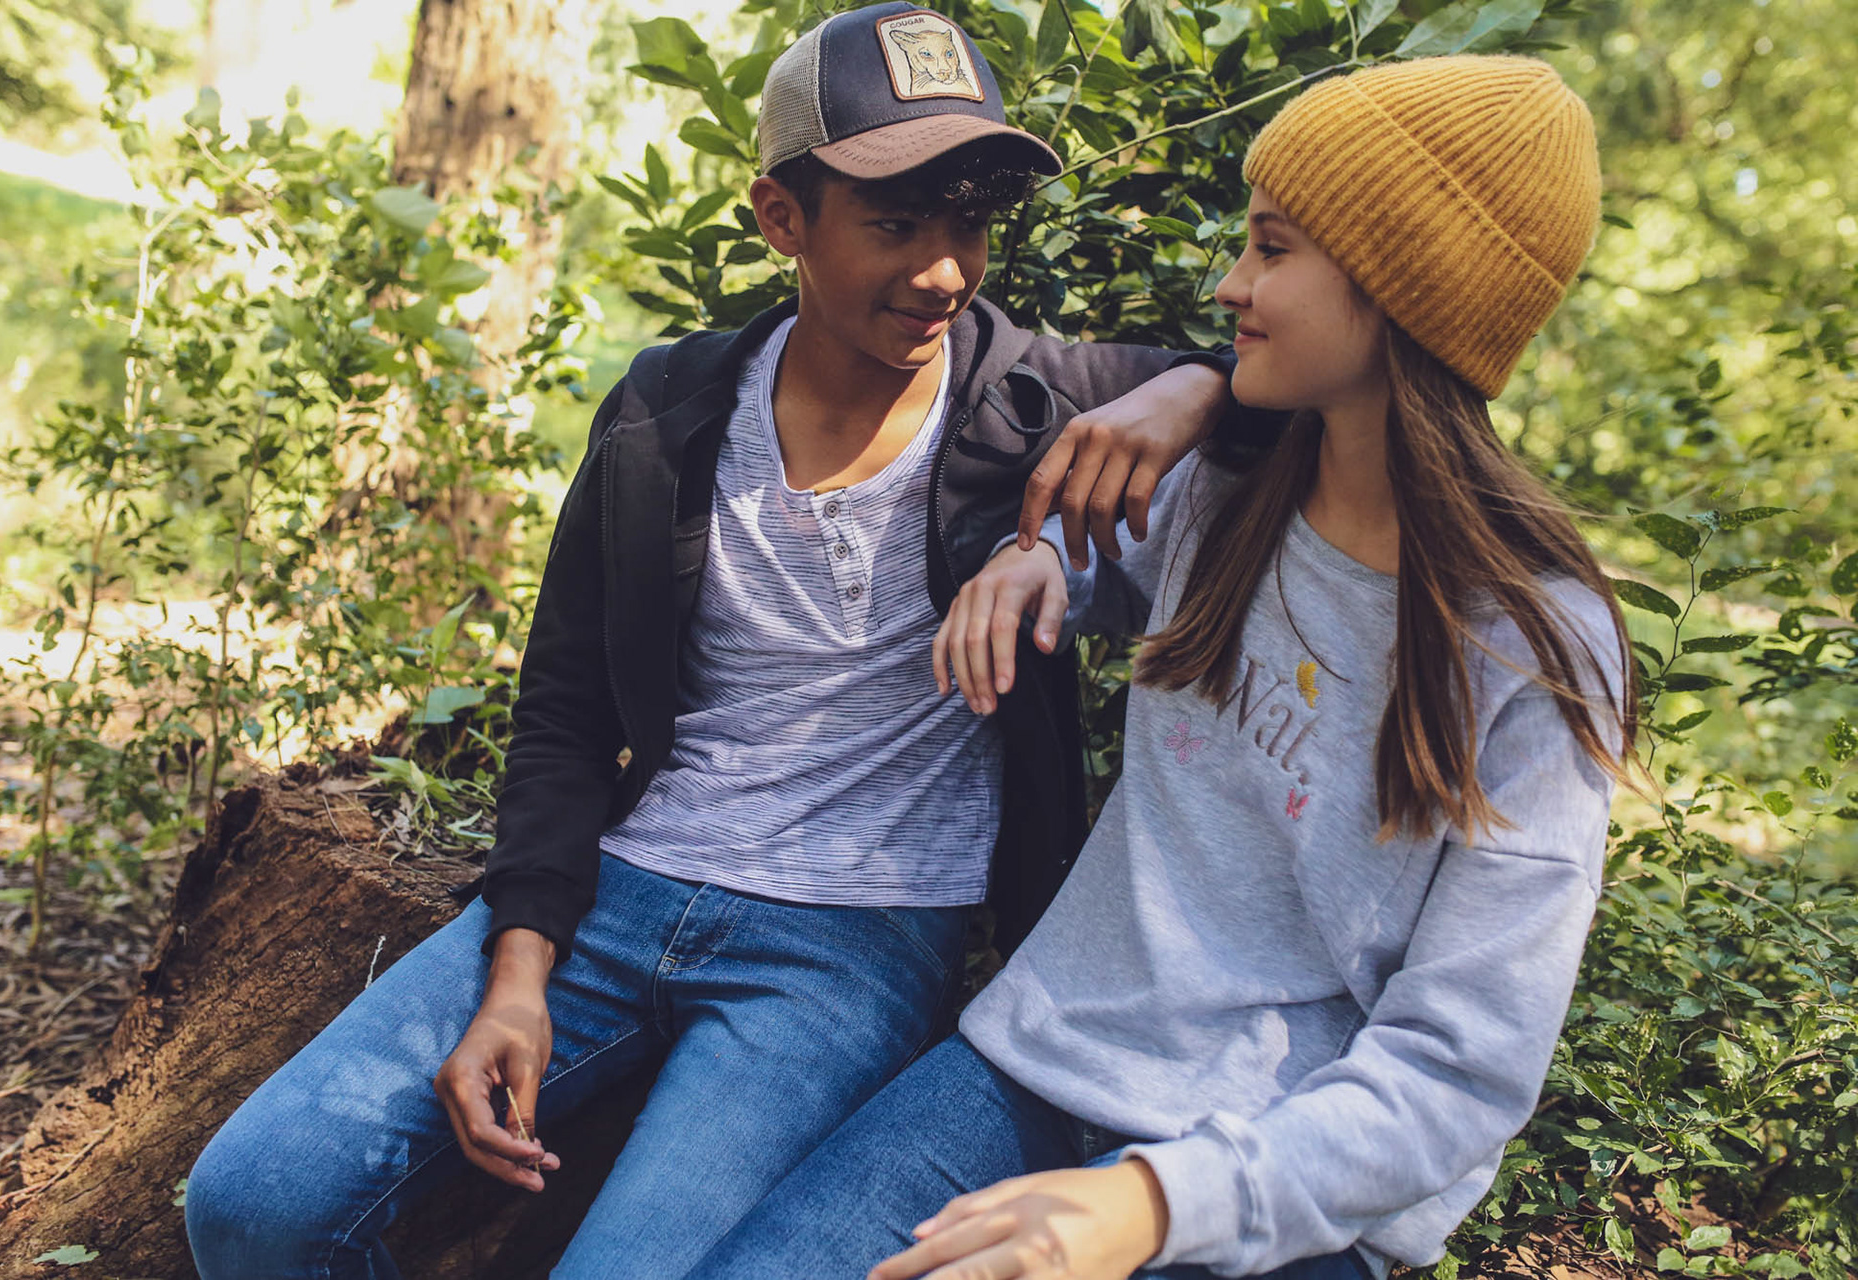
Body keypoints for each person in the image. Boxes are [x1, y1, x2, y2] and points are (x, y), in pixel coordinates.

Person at [181, 5, 1277, 1278]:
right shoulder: (667, 408)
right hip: (615, 891)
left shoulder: (1041, 404)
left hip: (849, 947)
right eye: (896, 223)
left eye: (970, 222)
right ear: (780, 216)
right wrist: (518, 969)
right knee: (252, 1200)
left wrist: (1195, 385)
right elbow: (566, 709)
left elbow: (1310, 391)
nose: (944, 270)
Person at [685, 54, 1637, 1280]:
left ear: (1404, 288)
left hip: (1286, 1189)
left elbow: (1461, 1073)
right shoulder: (1224, 495)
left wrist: (1148, 1203)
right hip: (1034, 1069)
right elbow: (1086, 557)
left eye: (1273, 249)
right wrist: (1031, 562)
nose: (1231, 283)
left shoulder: (1535, 647)